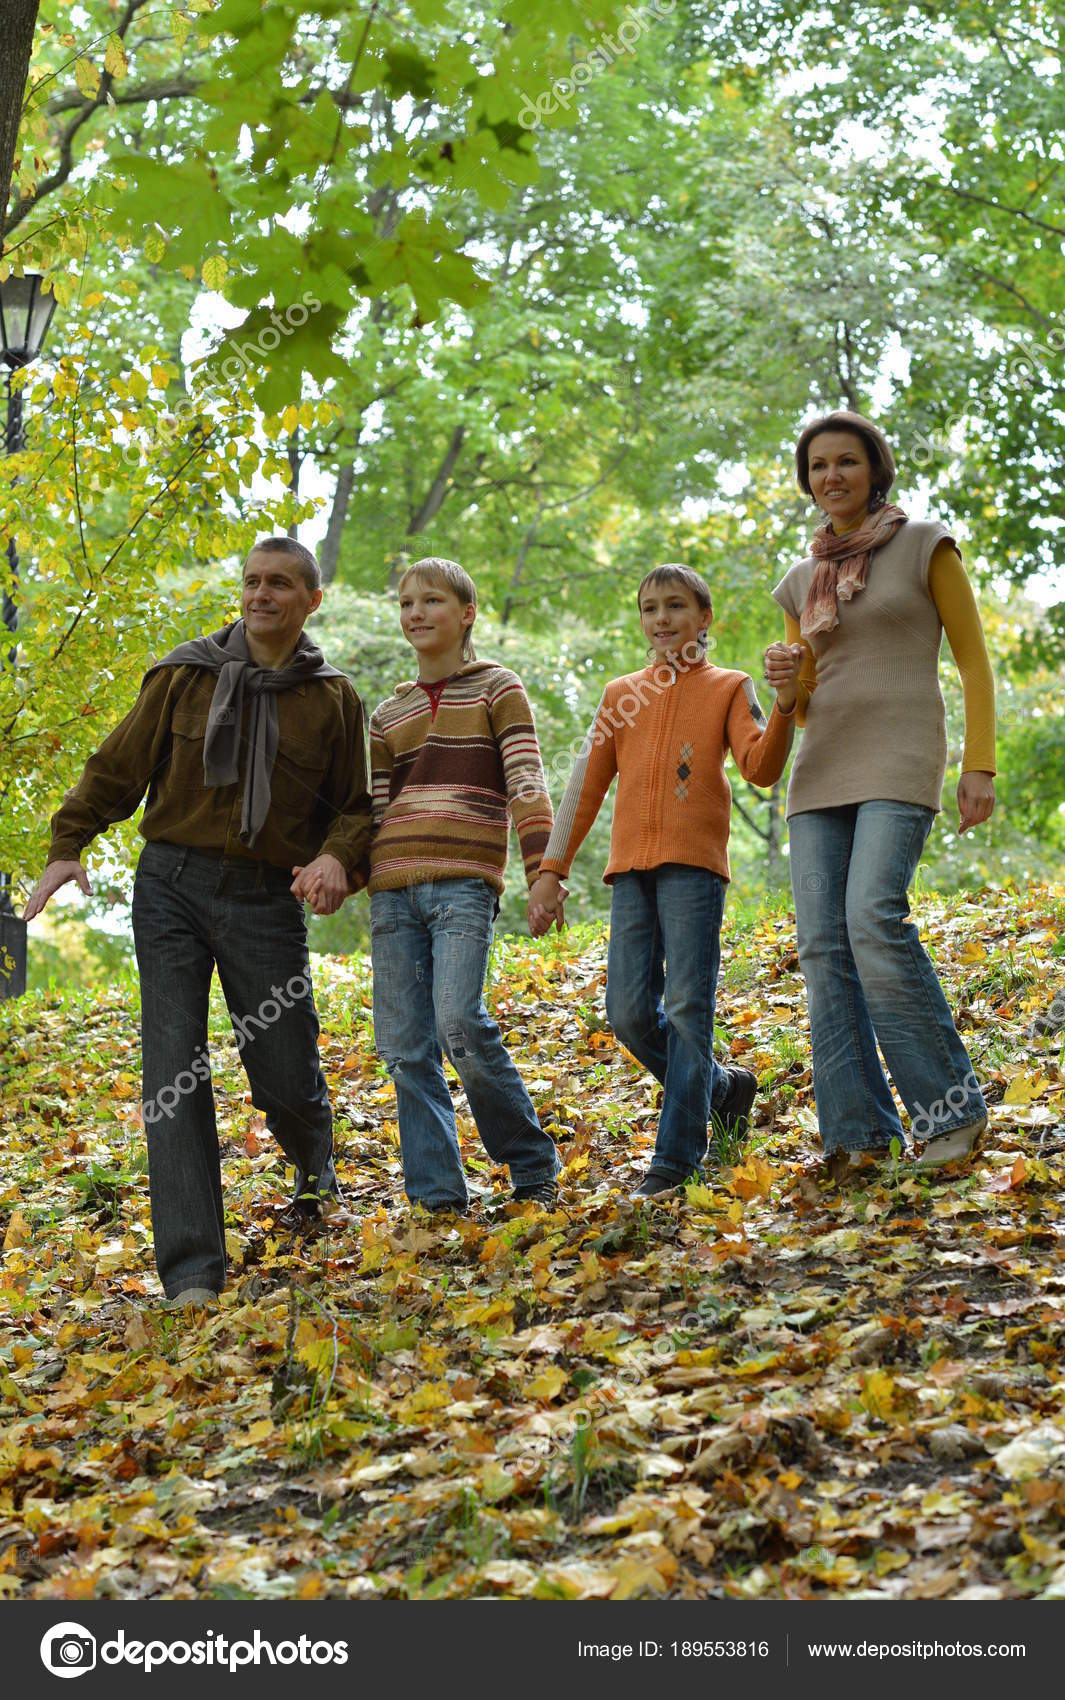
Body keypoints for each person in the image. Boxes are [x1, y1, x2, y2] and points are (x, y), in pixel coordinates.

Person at [23, 536, 373, 1306]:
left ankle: (314, 1160)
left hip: (264, 897)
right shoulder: (186, 675)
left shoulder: (333, 698)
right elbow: (117, 766)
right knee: (172, 1075)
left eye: (280, 584)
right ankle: (192, 1271)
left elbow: (355, 806)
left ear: (312, 600)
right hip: (171, 887)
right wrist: (67, 843)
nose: (260, 595)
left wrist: (338, 861)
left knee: (281, 1066)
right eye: (251, 581)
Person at [765, 410, 996, 1176]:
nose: (830, 476)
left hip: (898, 754)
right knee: (823, 946)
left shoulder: (924, 545)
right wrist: (782, 680)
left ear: (874, 469)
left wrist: (978, 764)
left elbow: (972, 663)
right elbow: (800, 696)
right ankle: (858, 1135)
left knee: (870, 916)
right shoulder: (802, 580)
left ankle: (949, 1112)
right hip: (819, 767)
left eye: (845, 462)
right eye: (817, 466)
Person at [528, 564, 802, 1198]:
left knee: (686, 1010)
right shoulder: (620, 694)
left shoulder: (730, 687)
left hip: (694, 870)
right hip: (630, 872)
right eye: (650, 608)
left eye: (675, 606)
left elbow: (761, 767)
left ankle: (676, 1161)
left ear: (703, 618)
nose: (661, 618)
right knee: (625, 1013)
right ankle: (722, 1088)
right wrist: (551, 871)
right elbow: (585, 787)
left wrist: (786, 705)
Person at [367, 556, 561, 1214]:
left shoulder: (495, 688)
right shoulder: (387, 715)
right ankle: (437, 1199)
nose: (415, 613)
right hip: (392, 892)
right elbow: (369, 810)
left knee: (459, 1026)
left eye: (431, 601)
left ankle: (531, 1164)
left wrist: (543, 873)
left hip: (462, 887)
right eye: (405, 603)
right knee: (403, 1047)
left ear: (466, 613)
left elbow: (527, 783)